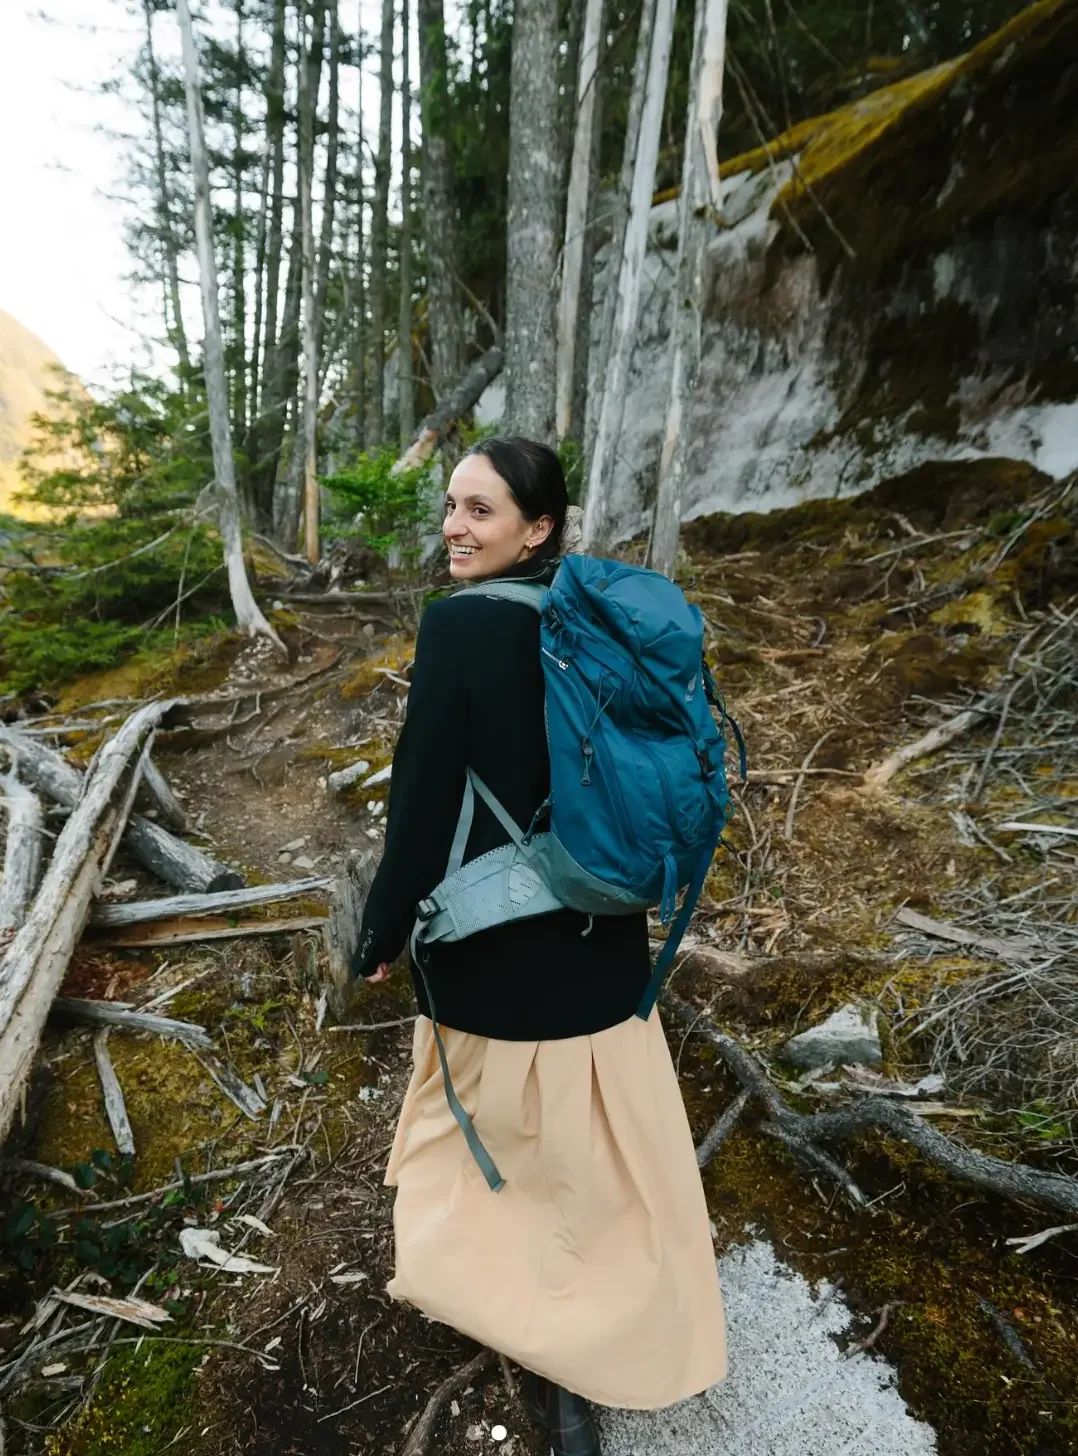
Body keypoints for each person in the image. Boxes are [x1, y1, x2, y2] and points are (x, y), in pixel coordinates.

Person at [351, 436, 726, 1456]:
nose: (454, 528)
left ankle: (520, 1311)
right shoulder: (596, 616)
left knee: (504, 1146)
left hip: (495, 950)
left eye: (480, 510)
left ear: (539, 526)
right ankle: (623, 1315)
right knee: (591, 1156)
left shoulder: (460, 627)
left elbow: (422, 805)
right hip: (605, 933)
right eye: (450, 506)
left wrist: (380, 931)